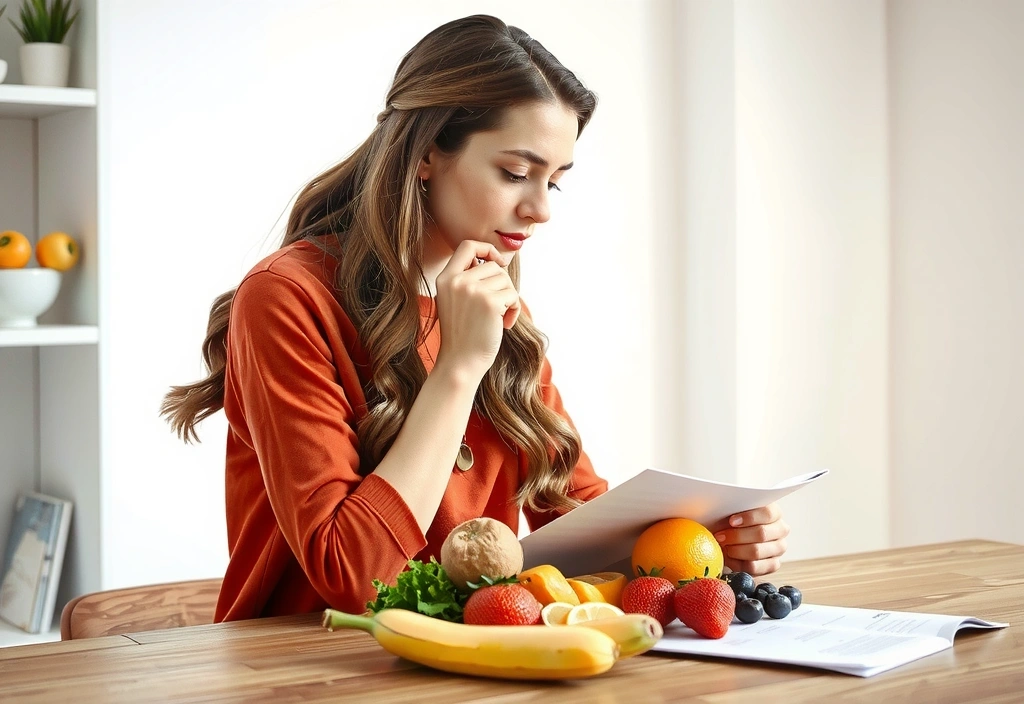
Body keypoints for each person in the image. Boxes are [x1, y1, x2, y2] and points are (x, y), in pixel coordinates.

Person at [161, 14, 789, 622]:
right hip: (311, 671)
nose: (540, 208)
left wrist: (694, 544)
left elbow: (572, 521)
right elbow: (353, 576)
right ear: (427, 153)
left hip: (472, 662)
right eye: (515, 173)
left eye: (556, 181)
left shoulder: (493, 303)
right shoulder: (288, 297)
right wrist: (459, 368)